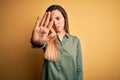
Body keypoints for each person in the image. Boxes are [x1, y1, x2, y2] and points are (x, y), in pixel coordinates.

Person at [30, 5, 83, 80]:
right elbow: (39, 44)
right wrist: (36, 42)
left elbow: (79, 70)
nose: (55, 23)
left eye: (58, 18)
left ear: (65, 18)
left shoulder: (75, 41)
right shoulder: (47, 39)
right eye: (51, 20)